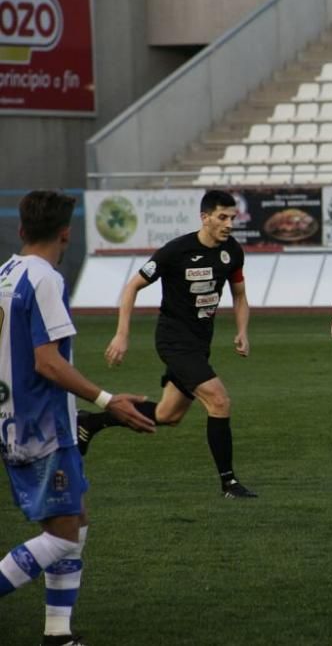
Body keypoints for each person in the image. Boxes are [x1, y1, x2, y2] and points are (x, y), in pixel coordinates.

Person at [0, 190, 155, 646]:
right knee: (65, 537)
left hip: (12, 417)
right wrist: (109, 400)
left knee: (75, 522)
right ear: (67, 233)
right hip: (42, 427)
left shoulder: (5, 274)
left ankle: (58, 634)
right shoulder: (46, 279)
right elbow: (48, 361)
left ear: (22, 229)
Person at [79, 190, 257, 499]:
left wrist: (242, 330)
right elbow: (132, 287)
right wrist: (122, 334)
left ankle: (91, 422)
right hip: (174, 340)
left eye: (232, 218)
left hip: (200, 343)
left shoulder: (232, 252)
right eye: (222, 217)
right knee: (219, 400)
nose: (229, 224)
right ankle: (228, 483)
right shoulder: (175, 251)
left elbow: (239, 295)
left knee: (168, 414)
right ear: (205, 217)